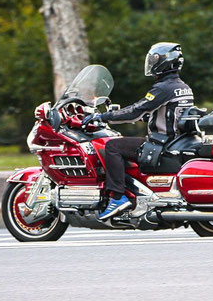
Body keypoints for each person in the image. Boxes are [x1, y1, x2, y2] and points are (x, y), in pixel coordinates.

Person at [82, 42, 194, 220]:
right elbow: (169, 115)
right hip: (174, 141)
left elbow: (135, 111)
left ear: (164, 62)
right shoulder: (183, 87)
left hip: (161, 144)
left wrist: (103, 117)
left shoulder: (163, 88)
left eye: (154, 59)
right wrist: (146, 118)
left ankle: (117, 197)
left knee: (112, 146)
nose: (151, 63)